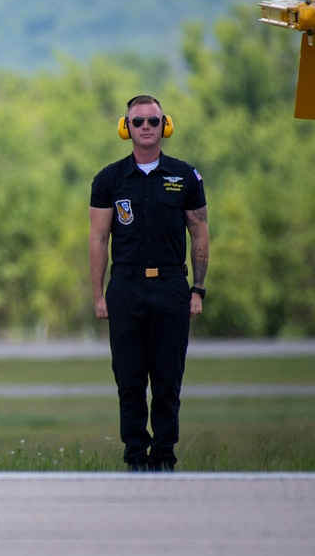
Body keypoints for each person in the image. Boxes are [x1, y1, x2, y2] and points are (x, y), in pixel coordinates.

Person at [89, 94, 209, 472]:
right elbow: (98, 239)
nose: (145, 127)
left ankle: (165, 456)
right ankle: (136, 457)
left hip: (172, 285)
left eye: (152, 122)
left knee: (167, 378)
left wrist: (198, 289)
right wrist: (98, 294)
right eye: (137, 122)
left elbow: (199, 233)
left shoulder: (185, 176)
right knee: (129, 378)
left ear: (165, 126)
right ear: (126, 128)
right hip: (125, 286)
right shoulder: (109, 179)